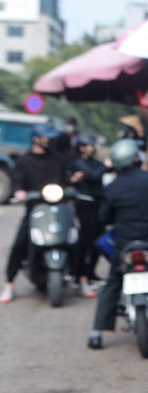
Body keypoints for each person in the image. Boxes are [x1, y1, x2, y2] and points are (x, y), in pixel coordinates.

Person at [87, 138, 148, 350]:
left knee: (113, 281)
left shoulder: (112, 187)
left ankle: (96, 333)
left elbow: (104, 217)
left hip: (125, 244)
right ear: (135, 157)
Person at [1, 124, 68, 303]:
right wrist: (19, 192)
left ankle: (81, 279)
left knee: (75, 238)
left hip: (57, 208)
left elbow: (66, 180)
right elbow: (17, 182)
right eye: (45, 137)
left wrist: (72, 185)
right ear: (36, 138)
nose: (48, 140)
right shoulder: (24, 161)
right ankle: (8, 284)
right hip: (35, 210)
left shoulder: (58, 159)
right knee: (19, 244)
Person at [67, 133, 109, 296]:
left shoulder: (95, 163)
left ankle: (91, 273)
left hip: (98, 206)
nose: (93, 148)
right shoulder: (77, 163)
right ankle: (80, 275)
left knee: (97, 242)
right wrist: (108, 166)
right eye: (90, 145)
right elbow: (95, 175)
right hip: (85, 207)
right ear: (82, 147)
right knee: (86, 242)